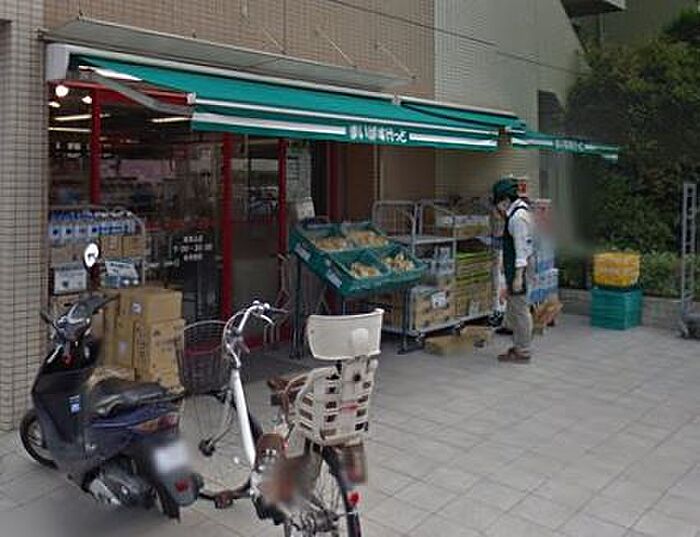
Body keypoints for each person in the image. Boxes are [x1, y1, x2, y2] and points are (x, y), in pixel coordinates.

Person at [491, 178, 533, 362]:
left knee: (520, 310)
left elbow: (521, 249)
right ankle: (518, 346)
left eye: (499, 203)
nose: (499, 208)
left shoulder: (517, 218)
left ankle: (523, 351)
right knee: (516, 308)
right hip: (518, 266)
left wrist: (518, 277)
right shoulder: (520, 212)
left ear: (506, 200)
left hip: (519, 268)